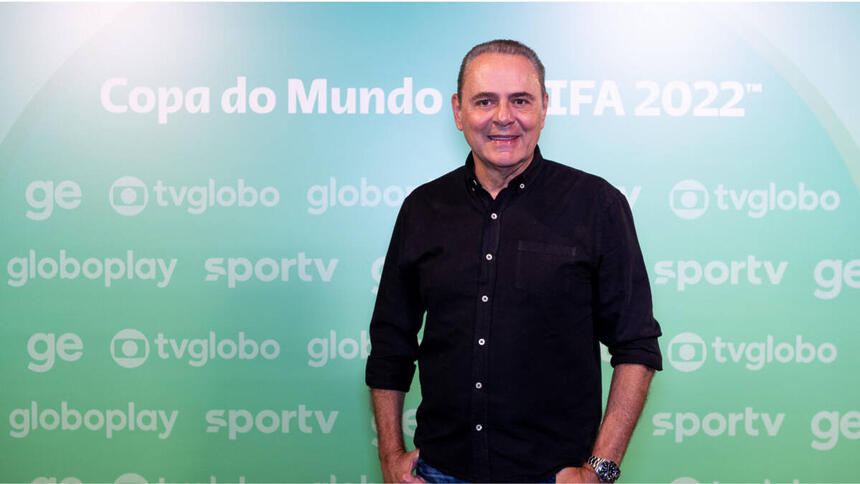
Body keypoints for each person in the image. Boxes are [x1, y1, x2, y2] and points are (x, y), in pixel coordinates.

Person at [365, 39, 662, 483]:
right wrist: (390, 456)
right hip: (439, 473)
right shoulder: (422, 209)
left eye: (520, 100)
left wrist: (600, 471)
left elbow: (636, 345)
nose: (503, 117)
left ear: (544, 108)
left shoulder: (597, 205)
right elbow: (391, 344)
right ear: (458, 111)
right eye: (485, 101)